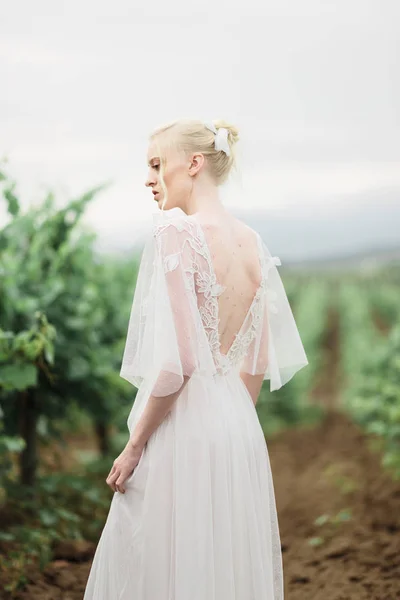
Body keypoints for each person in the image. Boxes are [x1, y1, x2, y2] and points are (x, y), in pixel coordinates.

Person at [83, 118, 308, 599]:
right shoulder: (252, 242)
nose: (148, 178)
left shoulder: (176, 233)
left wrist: (136, 444)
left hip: (181, 427)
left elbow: (180, 360)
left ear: (194, 163)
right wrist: (230, 421)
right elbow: (257, 359)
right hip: (237, 427)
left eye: (155, 164)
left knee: (157, 562)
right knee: (218, 562)